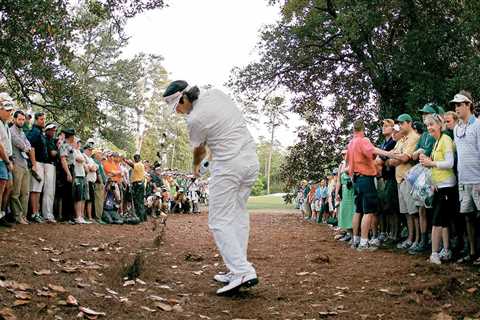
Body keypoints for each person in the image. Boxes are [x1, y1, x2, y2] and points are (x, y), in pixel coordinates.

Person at [163, 80, 259, 295]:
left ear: (184, 99)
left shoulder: (194, 119)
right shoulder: (216, 93)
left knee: (219, 221)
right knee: (237, 216)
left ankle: (242, 270)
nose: (178, 112)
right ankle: (236, 268)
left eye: (177, 107)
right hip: (250, 161)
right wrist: (209, 160)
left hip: (228, 168)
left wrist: (196, 166)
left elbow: (199, 149)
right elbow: (222, 133)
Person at [377, 114, 420, 251]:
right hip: (400, 179)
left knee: (414, 212)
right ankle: (410, 238)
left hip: (409, 178)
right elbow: (391, 158)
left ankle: (417, 240)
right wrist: (394, 159)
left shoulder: (413, 138)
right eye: (399, 123)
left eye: (402, 123)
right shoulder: (402, 139)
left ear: (409, 123)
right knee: (407, 212)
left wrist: (394, 159)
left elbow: (405, 158)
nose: (400, 125)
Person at [419, 114, 456, 264]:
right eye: (427, 125)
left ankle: (434, 254)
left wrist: (431, 163)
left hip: (447, 186)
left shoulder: (445, 140)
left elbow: (450, 163)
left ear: (440, 125)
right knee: (444, 221)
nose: (429, 128)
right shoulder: (436, 142)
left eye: (432, 124)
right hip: (439, 186)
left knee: (437, 221)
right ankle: (446, 250)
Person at [451, 91, 480, 264]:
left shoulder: (477, 125)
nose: (457, 108)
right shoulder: (457, 128)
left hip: (477, 179)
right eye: (455, 105)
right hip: (464, 180)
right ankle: (472, 252)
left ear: (468, 105)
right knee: (468, 216)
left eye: (460, 104)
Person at [346, 119, 380, 251]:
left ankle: (356, 240)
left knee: (358, 210)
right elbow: (372, 151)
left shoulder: (351, 143)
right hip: (366, 178)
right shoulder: (363, 140)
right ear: (363, 129)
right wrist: (389, 153)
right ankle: (364, 243)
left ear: (353, 129)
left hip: (356, 179)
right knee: (369, 211)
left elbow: (348, 162)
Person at [10, 110, 35, 224]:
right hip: (16, 164)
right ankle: (17, 216)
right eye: (19, 119)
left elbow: (28, 144)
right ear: (14, 119)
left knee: (25, 192)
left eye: (23, 119)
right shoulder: (11, 131)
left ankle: (24, 216)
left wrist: (27, 147)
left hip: (24, 164)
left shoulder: (22, 132)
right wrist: (27, 147)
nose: (21, 121)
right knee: (16, 193)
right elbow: (22, 146)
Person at [375, 119, 397, 246]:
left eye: (387, 126)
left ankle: (394, 235)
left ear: (393, 128)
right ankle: (388, 233)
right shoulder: (384, 143)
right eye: (383, 125)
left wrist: (384, 161)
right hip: (385, 177)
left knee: (392, 208)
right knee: (385, 208)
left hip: (392, 177)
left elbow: (380, 161)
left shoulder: (393, 142)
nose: (384, 127)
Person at [27, 112, 49, 223]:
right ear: (36, 120)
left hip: (41, 163)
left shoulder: (40, 132)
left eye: (44, 119)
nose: (43, 121)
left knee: (38, 190)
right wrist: (34, 164)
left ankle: (37, 213)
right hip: (36, 163)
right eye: (41, 119)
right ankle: (34, 214)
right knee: (35, 189)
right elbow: (31, 147)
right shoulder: (35, 132)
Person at [0, 94, 15, 226]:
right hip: (1, 160)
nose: (10, 113)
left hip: (7, 159)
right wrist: (6, 161)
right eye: (7, 110)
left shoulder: (5, 125)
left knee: (9, 187)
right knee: (1, 187)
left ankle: (3, 213)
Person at [335, 150, 355, 242]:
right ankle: (350, 234)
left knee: (353, 213)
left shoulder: (354, 163)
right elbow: (338, 181)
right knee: (345, 213)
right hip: (344, 191)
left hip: (352, 190)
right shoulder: (341, 165)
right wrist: (337, 193)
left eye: (345, 154)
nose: (343, 156)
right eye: (342, 154)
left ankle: (355, 236)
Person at [43, 123, 58, 222]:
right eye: (51, 130)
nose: (53, 132)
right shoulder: (46, 139)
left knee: (51, 192)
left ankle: (49, 213)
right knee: (48, 190)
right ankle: (47, 214)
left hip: (52, 165)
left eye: (54, 130)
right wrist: (59, 149)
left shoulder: (52, 140)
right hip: (47, 164)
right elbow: (52, 153)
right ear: (47, 130)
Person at [125, 154, 146, 221]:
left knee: (138, 201)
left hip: (138, 184)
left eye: (136, 158)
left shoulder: (139, 164)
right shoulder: (140, 164)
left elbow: (132, 165)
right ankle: (143, 217)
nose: (135, 160)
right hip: (139, 184)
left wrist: (125, 160)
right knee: (139, 201)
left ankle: (140, 217)